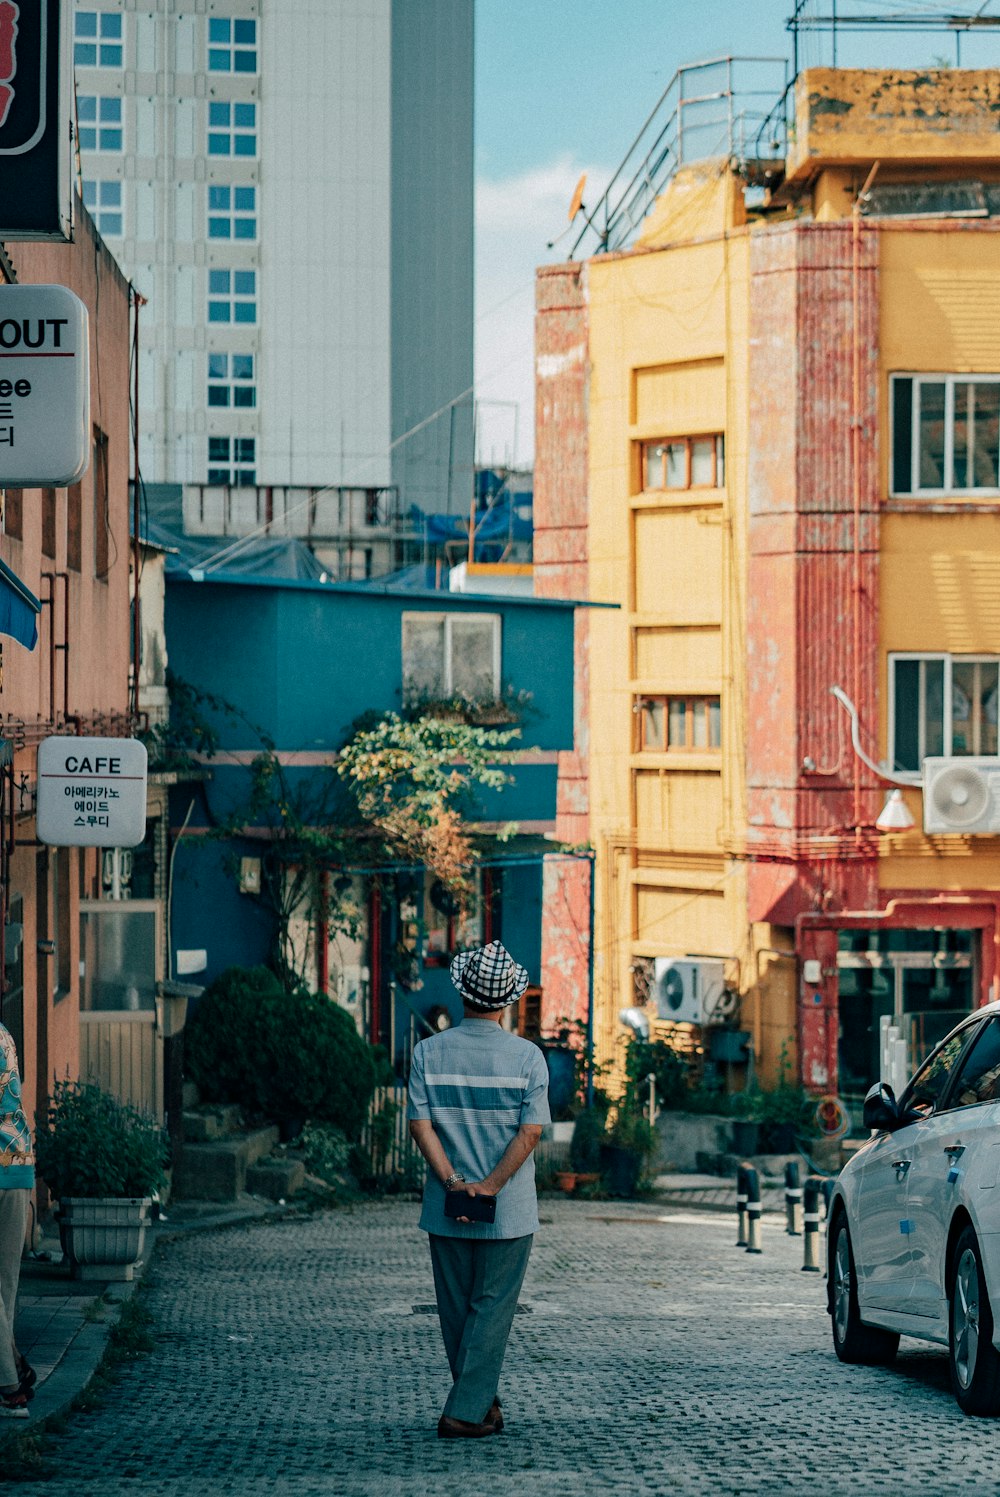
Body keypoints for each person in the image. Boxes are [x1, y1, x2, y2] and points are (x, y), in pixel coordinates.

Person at [407, 940, 550, 1439]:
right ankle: (463, 1414)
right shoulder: (529, 1058)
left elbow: (420, 1126)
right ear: (508, 999)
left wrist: (455, 1183)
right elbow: (530, 1133)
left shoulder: (428, 1052)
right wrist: (488, 1188)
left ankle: (479, 1402)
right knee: (491, 1309)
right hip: (507, 1209)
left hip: (445, 1203)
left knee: (456, 1310)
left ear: (462, 991)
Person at [0, 1022, 34, 1418]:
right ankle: (14, 1365)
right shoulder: (6, 1034)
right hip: (18, 1163)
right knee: (5, 1288)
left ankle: (10, 1388)